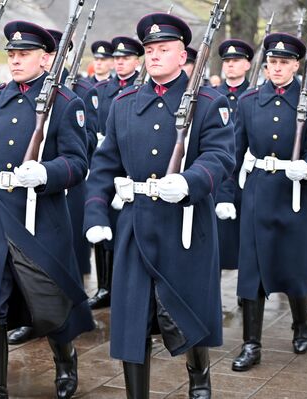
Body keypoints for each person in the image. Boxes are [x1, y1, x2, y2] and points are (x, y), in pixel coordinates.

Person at [85, 13, 234, 398]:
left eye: (163, 49)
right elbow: (105, 164)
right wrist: (97, 212)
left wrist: (189, 181)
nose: (153, 56)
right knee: (131, 319)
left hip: (185, 225)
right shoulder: (124, 103)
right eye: (149, 50)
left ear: (182, 54)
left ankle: (198, 378)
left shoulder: (208, 101)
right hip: (136, 224)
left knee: (188, 308)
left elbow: (220, 157)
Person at [0, 20, 94, 399]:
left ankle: (65, 361)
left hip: (40, 218)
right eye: (12, 54)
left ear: (46, 59)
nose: (15, 61)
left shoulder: (67, 104)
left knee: (49, 300)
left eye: (25, 54)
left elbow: (78, 163)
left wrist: (45, 173)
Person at [231, 33, 307, 372]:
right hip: (259, 192)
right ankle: (251, 344)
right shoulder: (248, 100)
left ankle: (301, 325)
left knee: (295, 266)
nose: (277, 67)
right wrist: (228, 195)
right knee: (253, 271)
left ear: (296, 65)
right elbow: (234, 151)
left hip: (296, 194)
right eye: (273, 61)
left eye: (284, 62)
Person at [7, 28, 100, 347]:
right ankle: (28, 318)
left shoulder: (77, 92)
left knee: (57, 265)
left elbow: (85, 143)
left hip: (59, 188)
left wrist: (47, 170)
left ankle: (63, 339)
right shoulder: (9, 94)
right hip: (15, 194)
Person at [89, 36, 145, 311]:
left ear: (137, 60)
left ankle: (122, 284)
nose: (120, 62)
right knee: (102, 223)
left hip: (132, 162)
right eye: (117, 58)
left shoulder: (143, 89)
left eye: (126, 58)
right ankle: (104, 285)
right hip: (106, 161)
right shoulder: (100, 89)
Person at [213, 39, 253, 273]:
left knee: (245, 238)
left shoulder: (254, 96)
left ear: (247, 65)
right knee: (216, 239)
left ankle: (245, 293)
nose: (230, 65)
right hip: (219, 174)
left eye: (236, 61)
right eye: (227, 61)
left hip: (245, 176)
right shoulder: (212, 96)